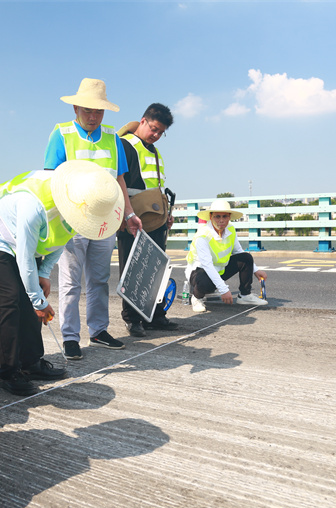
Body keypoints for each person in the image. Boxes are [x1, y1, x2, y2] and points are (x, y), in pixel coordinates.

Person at [0, 160, 124, 396]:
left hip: (22, 238)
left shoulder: (79, 203)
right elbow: (25, 257)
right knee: (9, 300)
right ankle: (9, 372)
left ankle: (31, 362)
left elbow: (60, 238)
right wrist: (38, 301)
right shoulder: (34, 205)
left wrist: (43, 274)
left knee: (32, 297)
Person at [43, 78, 142, 360]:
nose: (92, 116)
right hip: (71, 221)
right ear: (75, 107)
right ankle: (70, 336)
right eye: (87, 110)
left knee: (99, 279)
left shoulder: (112, 138)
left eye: (98, 111)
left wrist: (129, 213)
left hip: (105, 221)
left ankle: (98, 331)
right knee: (71, 281)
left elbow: (120, 179)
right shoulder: (61, 135)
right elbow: (51, 179)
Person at [116, 103, 179, 337]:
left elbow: (157, 185)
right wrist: (126, 214)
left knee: (156, 267)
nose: (156, 135)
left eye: (161, 132)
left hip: (156, 217)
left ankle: (155, 314)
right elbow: (119, 183)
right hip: (133, 217)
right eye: (153, 129)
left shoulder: (153, 150)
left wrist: (166, 213)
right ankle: (132, 319)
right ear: (142, 121)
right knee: (132, 268)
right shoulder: (124, 145)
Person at [185, 199, 269, 312]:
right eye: (217, 216)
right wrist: (224, 290)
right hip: (199, 271)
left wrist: (256, 270)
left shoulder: (230, 229)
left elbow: (238, 251)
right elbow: (207, 265)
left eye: (225, 216)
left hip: (220, 269)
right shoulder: (203, 236)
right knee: (207, 283)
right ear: (210, 217)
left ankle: (245, 295)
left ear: (229, 217)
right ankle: (196, 297)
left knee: (246, 257)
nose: (221, 220)